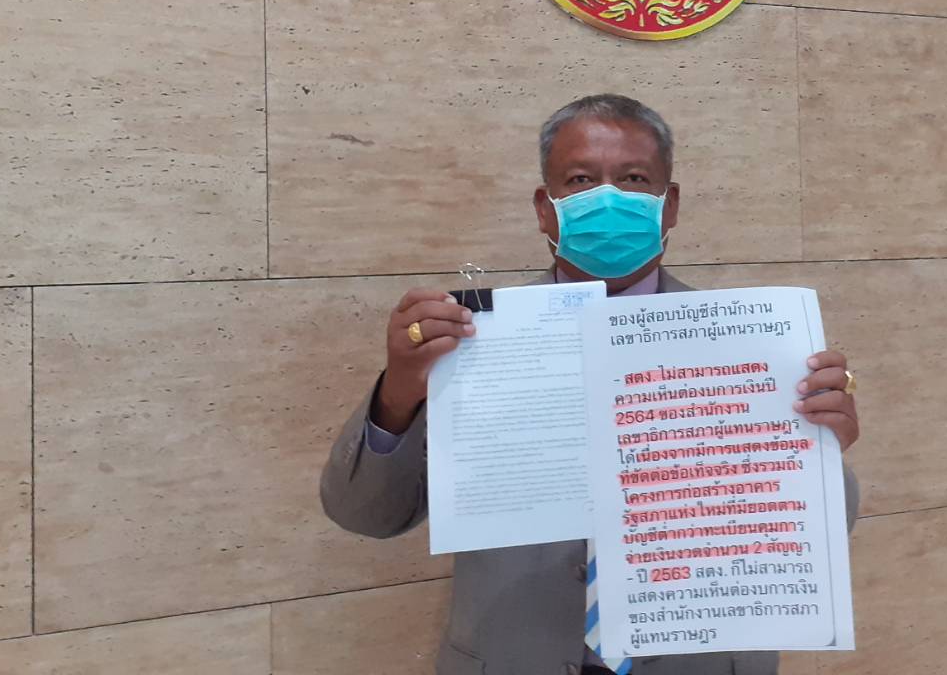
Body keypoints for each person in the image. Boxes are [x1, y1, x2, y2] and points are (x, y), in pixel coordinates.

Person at [320, 94, 861, 675]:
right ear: (544, 208)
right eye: (580, 180)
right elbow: (367, 516)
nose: (608, 198)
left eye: (634, 179)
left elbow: (822, 532)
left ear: (670, 205)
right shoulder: (475, 342)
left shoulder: (750, 344)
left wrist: (823, 450)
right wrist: (400, 391)